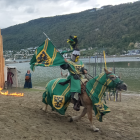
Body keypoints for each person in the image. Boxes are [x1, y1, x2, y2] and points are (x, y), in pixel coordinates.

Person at [60, 36, 87, 111]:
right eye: (75, 55)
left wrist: (84, 71)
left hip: (80, 77)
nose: (76, 56)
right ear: (73, 55)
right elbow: (65, 67)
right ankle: (75, 102)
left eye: (77, 55)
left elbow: (82, 68)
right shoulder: (69, 61)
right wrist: (63, 62)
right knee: (77, 89)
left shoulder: (80, 62)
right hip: (73, 77)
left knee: (88, 84)